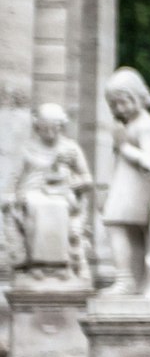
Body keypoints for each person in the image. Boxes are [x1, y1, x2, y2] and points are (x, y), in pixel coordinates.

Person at [7, 103, 93, 282]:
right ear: (37, 126)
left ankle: (61, 265)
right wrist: (12, 196)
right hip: (31, 193)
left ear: (61, 127)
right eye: (45, 128)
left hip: (63, 193)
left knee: (58, 206)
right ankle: (38, 264)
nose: (50, 133)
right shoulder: (27, 148)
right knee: (36, 205)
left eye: (54, 128)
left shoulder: (70, 148)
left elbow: (87, 178)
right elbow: (14, 178)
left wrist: (76, 183)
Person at [100, 66, 150, 293]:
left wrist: (124, 147)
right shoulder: (130, 125)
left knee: (116, 224)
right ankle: (135, 280)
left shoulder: (146, 125)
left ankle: (127, 279)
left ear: (137, 96)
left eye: (123, 102)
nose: (119, 109)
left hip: (137, 187)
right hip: (126, 183)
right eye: (114, 104)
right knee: (127, 230)